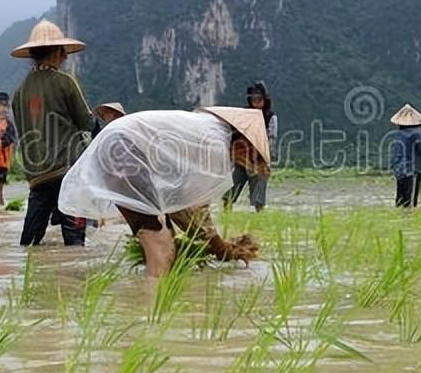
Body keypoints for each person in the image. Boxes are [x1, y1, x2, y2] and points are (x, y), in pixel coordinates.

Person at [58, 107, 270, 278]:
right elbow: (192, 208)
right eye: (250, 158)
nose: (244, 162)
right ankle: (152, 314)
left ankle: (152, 298)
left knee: (162, 238)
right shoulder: (216, 145)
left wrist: (208, 243)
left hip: (117, 147)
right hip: (124, 150)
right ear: (244, 145)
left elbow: (173, 202)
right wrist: (219, 247)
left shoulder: (208, 130)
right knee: (162, 245)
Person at [10, 20, 94, 246]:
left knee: (30, 241)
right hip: (67, 169)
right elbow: (86, 121)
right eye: (64, 52)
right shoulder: (64, 82)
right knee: (74, 240)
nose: (65, 57)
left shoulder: (19, 92)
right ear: (57, 53)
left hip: (37, 173)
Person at [224, 82, 278, 212]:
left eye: (259, 99)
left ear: (265, 100)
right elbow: (235, 132)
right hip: (243, 157)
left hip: (260, 159)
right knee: (233, 185)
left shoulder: (270, 117)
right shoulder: (244, 115)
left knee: (259, 189)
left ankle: (259, 215)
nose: (256, 103)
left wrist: (266, 155)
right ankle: (227, 212)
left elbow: (271, 138)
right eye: (254, 100)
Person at [389, 104, 421, 207]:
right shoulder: (416, 133)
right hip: (411, 170)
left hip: (399, 171)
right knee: (410, 202)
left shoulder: (398, 134)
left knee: (400, 200)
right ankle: (409, 220)